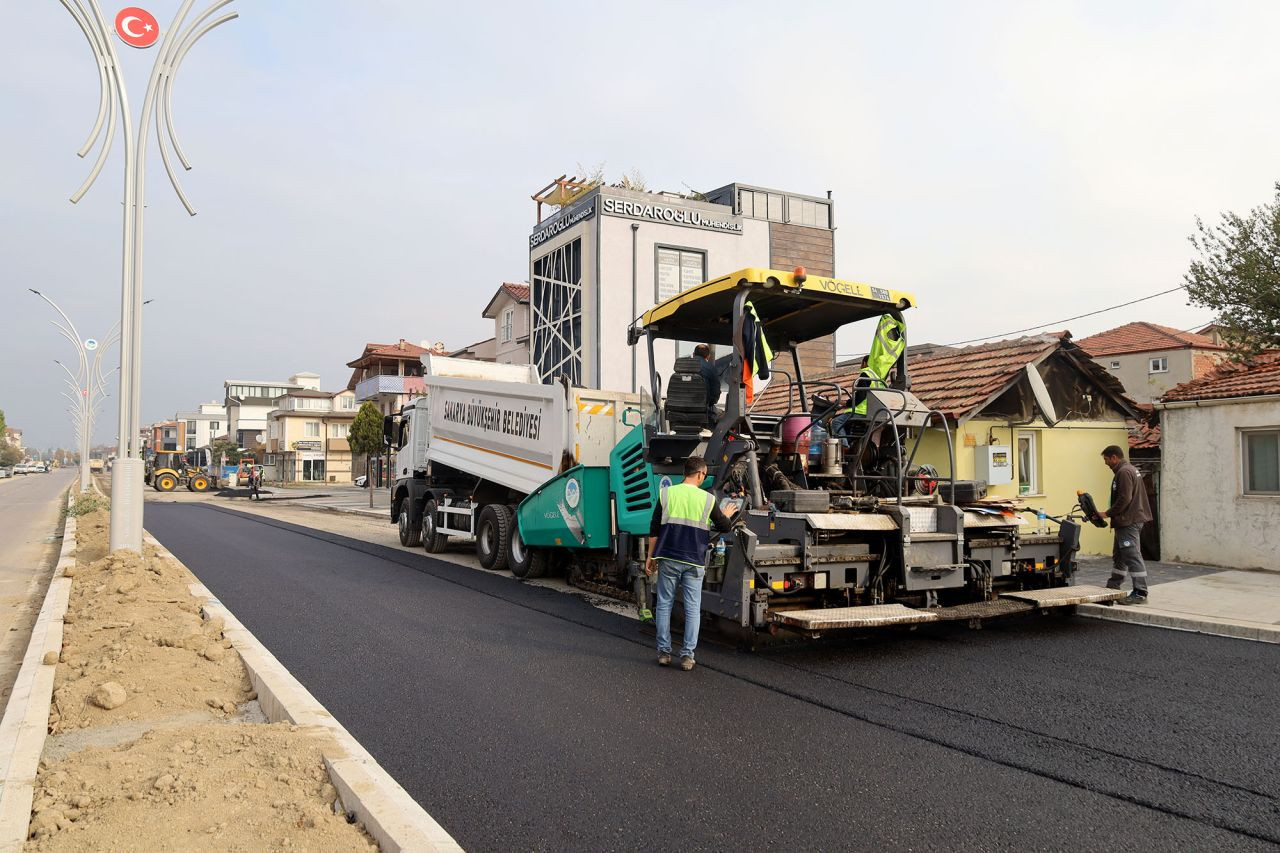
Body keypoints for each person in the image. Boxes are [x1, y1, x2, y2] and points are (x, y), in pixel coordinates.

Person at [646, 456, 739, 670]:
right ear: (699, 474)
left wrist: (650, 558)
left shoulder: (666, 494)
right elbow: (724, 527)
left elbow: (654, 530)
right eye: (704, 475)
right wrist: (725, 514)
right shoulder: (707, 499)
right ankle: (687, 656)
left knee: (664, 605)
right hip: (694, 561)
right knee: (692, 608)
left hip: (668, 558)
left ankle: (663, 653)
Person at [1100, 445, 1152, 605]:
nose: (1106, 463)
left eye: (1106, 460)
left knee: (1131, 555)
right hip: (1128, 520)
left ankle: (1140, 592)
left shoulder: (1123, 472)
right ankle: (1113, 587)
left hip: (1128, 521)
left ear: (1114, 457)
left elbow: (1124, 498)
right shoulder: (1130, 470)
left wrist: (1106, 513)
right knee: (1120, 556)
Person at [693, 344, 721, 426]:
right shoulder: (711, 369)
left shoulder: (681, 366)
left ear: (693, 354)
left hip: (678, 409)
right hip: (702, 411)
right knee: (722, 415)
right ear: (708, 356)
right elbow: (715, 393)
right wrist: (709, 403)